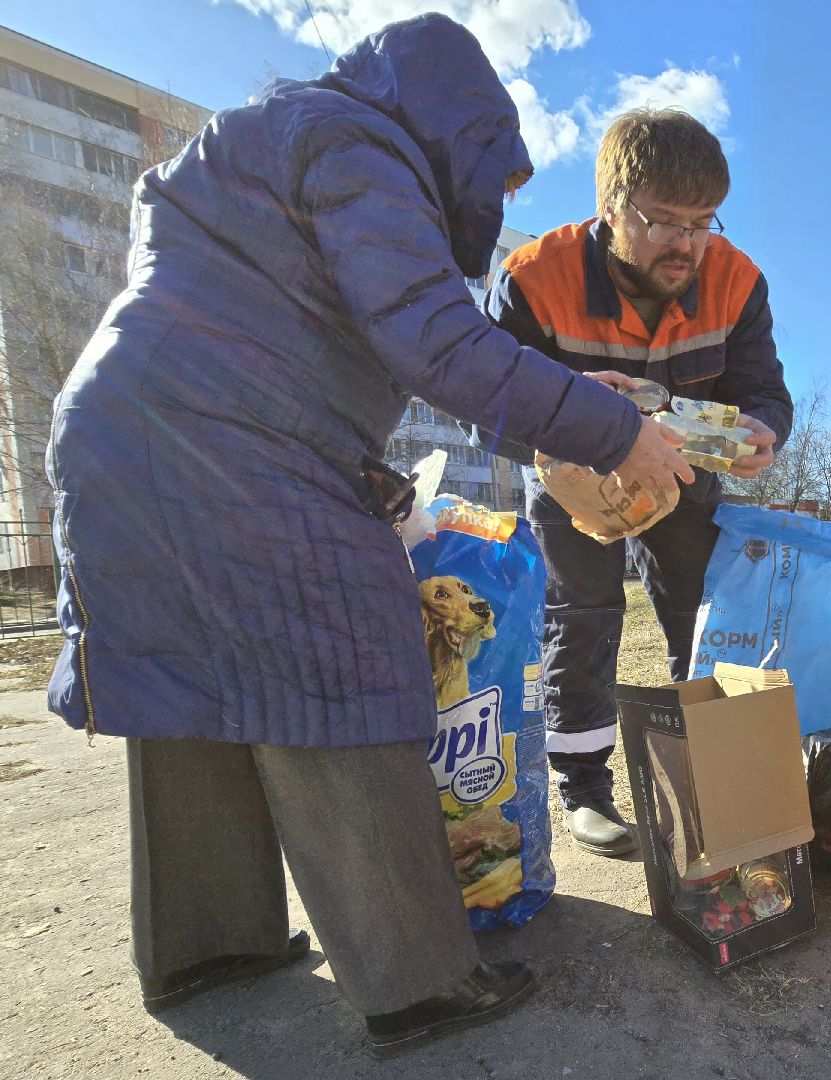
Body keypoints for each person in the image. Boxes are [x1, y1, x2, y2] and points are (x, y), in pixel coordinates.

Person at [45, 14, 690, 1058]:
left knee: (188, 690)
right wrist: (616, 432)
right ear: (462, 128)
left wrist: (565, 395)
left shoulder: (268, 134)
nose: (500, 199)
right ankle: (416, 982)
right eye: (501, 171)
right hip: (231, 446)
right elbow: (434, 339)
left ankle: (207, 946)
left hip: (121, 437)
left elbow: (318, 333)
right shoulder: (358, 144)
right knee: (341, 671)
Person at [484, 109, 793, 857]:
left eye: (702, 223)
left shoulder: (737, 276)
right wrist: (581, 409)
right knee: (581, 614)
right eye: (664, 222)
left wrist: (762, 432)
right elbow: (488, 415)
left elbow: (765, 389)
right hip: (576, 484)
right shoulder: (531, 278)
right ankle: (584, 788)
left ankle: (708, 778)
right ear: (610, 207)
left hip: (686, 480)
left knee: (702, 616)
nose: (687, 244)